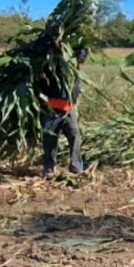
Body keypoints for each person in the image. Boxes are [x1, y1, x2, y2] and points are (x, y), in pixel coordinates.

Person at [38, 45, 87, 177]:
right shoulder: (50, 69)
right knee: (50, 140)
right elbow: (40, 89)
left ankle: (76, 167)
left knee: (75, 136)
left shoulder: (74, 68)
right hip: (51, 110)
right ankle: (49, 169)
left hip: (69, 109)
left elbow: (81, 58)